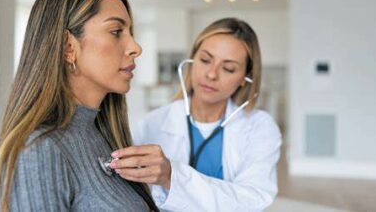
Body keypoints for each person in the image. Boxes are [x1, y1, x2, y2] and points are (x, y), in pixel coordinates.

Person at [0, 0, 159, 212]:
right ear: (68, 47)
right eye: (116, 31)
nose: (135, 47)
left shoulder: (100, 135)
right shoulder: (38, 151)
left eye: (130, 32)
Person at [109, 18, 282, 211]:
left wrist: (172, 176)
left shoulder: (260, 128)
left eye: (228, 68)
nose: (211, 74)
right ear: (192, 61)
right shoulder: (153, 123)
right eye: (205, 60)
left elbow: (252, 200)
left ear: (245, 78)